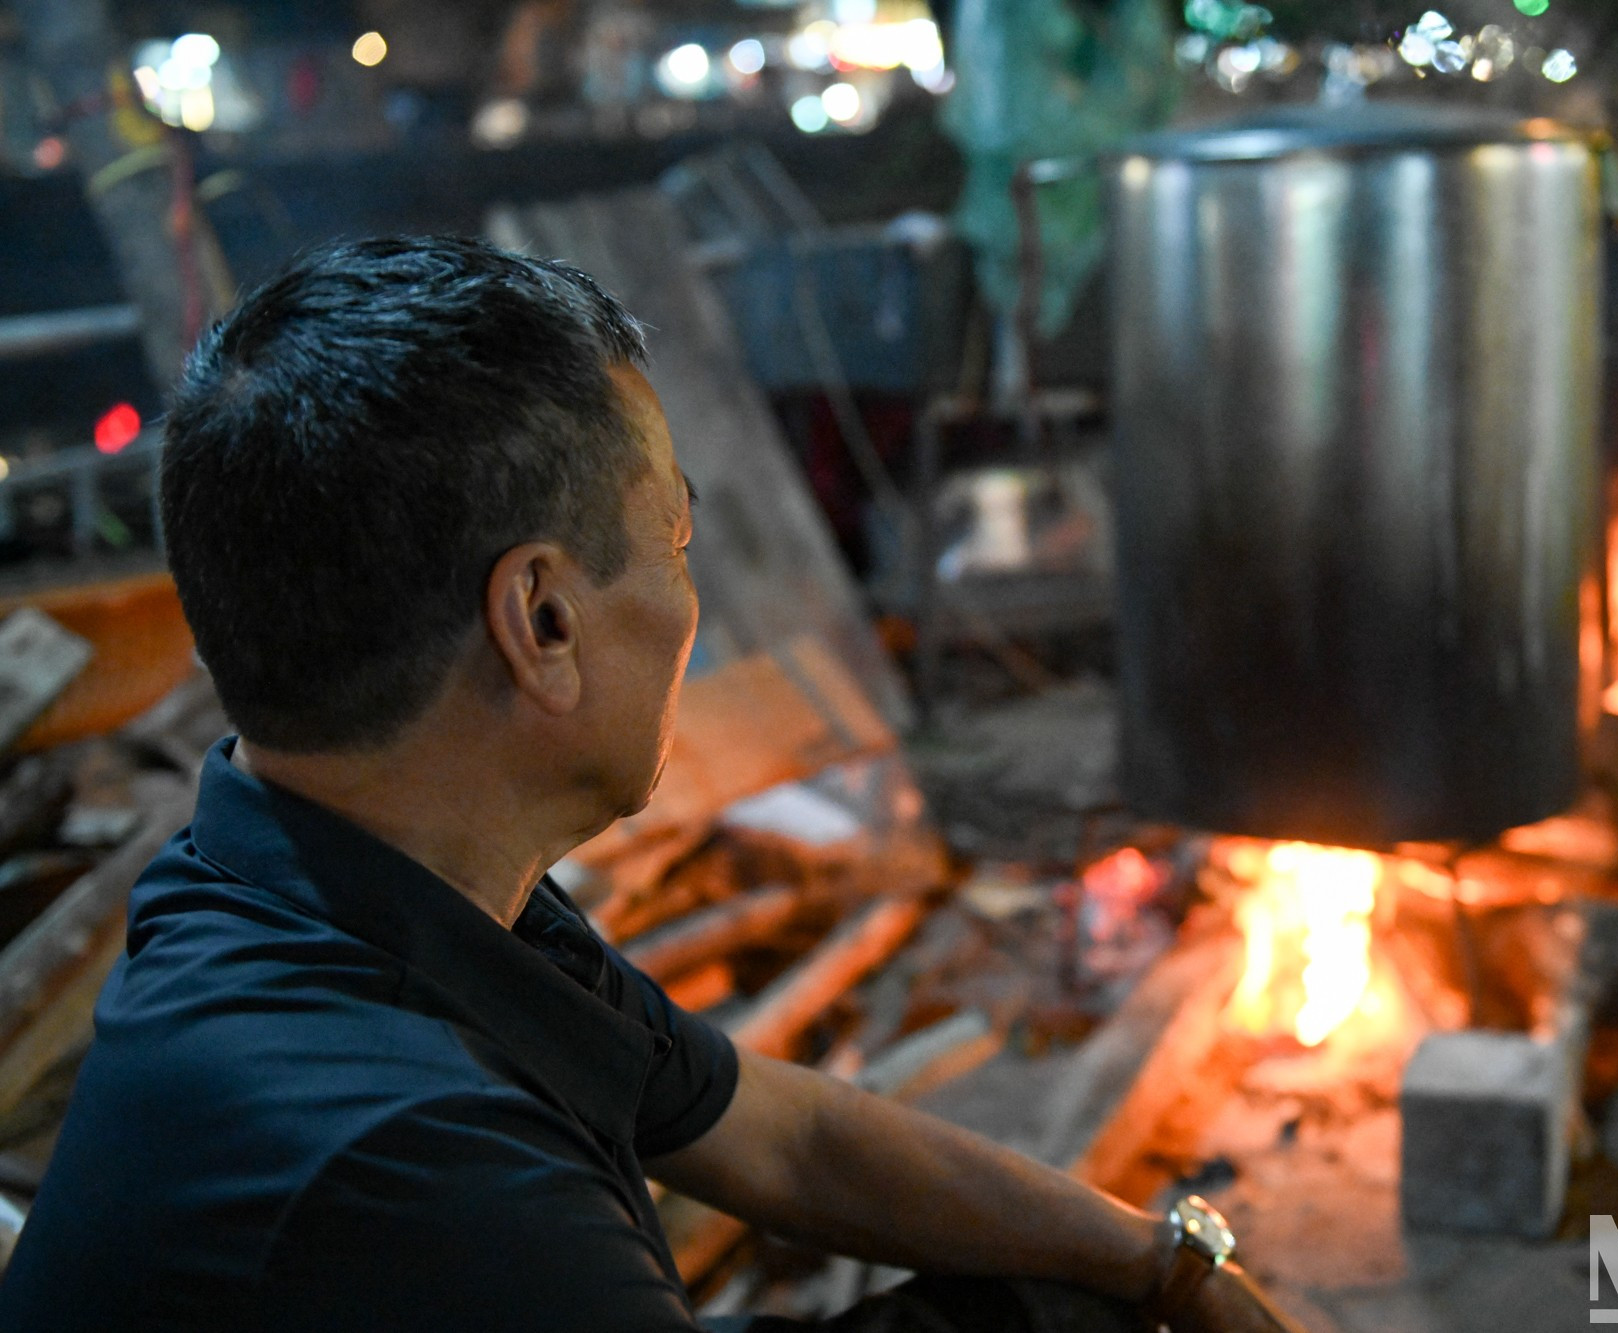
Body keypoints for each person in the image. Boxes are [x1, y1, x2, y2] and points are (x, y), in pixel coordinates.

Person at [0, 237, 1305, 1333]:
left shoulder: (310, 872)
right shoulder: (420, 1164)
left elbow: (776, 1132)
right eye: (674, 538)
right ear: (545, 621)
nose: (694, 600)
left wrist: (1160, 1259)